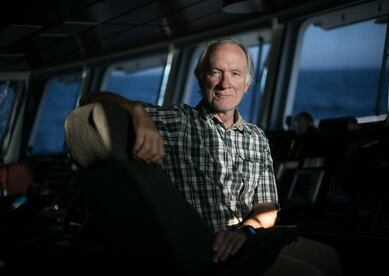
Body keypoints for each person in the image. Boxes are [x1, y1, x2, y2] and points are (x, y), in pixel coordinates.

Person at [80, 40, 342, 276]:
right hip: (204, 250)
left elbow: (266, 208)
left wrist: (244, 232)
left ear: (247, 84)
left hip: (248, 238)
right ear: (200, 78)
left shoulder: (257, 137)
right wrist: (136, 111)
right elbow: (90, 100)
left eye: (235, 74)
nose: (225, 83)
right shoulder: (178, 122)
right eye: (215, 72)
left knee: (329, 257)